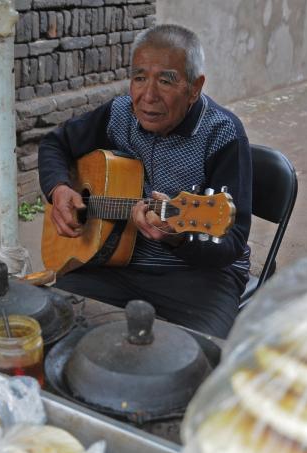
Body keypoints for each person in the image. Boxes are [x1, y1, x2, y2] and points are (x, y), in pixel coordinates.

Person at [38, 24, 252, 338]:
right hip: (114, 265)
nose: (147, 95)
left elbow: (231, 241)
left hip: (199, 276)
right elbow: (55, 144)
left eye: (166, 80)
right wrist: (59, 189)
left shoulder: (223, 134)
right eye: (139, 78)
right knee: (50, 323)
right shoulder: (119, 113)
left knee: (198, 358)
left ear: (194, 87)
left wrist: (178, 238)